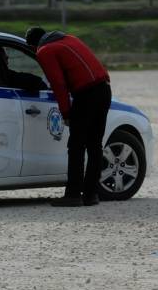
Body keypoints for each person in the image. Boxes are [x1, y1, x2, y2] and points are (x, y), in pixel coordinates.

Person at [25, 27, 111, 207]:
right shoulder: (69, 38)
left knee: (76, 145)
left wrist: (65, 112)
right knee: (95, 145)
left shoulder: (45, 50)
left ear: (33, 45)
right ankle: (91, 194)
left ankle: (73, 194)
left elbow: (58, 83)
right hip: (104, 89)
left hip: (86, 94)